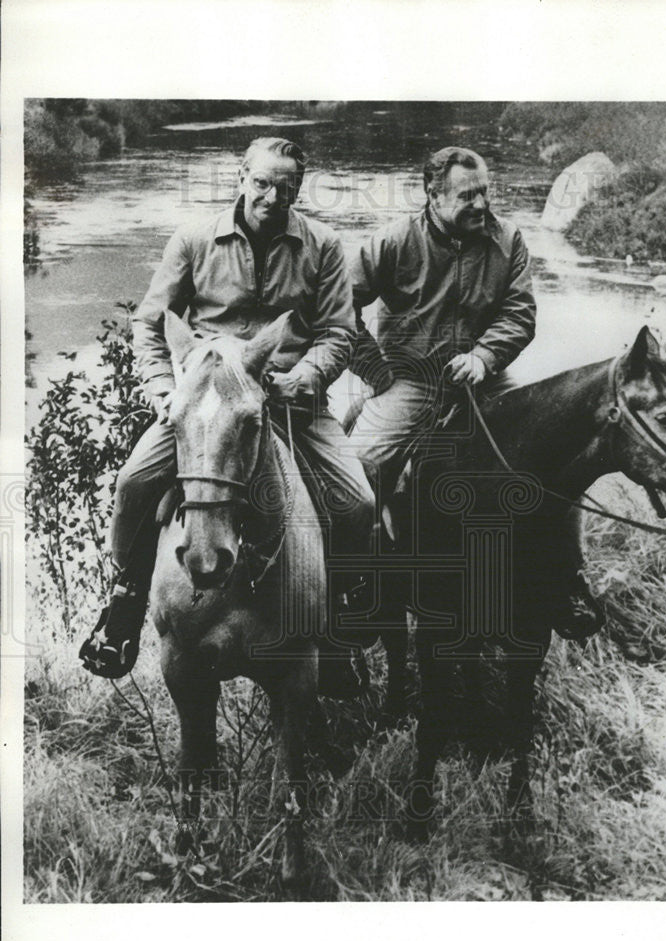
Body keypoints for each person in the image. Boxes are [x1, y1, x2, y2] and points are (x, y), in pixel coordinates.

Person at [81, 136, 375, 680]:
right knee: (132, 485)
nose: (271, 196)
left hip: (288, 398)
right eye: (262, 182)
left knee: (357, 501)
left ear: (298, 190)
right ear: (241, 177)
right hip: (207, 403)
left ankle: (333, 627)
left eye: (285, 188)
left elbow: (340, 332)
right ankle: (122, 606)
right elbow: (150, 324)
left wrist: (305, 377)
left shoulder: (325, 245)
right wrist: (164, 390)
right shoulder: (195, 239)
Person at [347, 145, 602, 639]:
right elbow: (338, 306)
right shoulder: (395, 240)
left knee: (558, 454)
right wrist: (376, 371)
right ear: (433, 194)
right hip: (410, 382)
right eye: (467, 196)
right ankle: (355, 581)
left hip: (487, 378)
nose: (481, 205)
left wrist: (484, 356)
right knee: (357, 474)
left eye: (485, 191)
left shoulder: (509, 239)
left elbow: (520, 313)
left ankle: (565, 580)